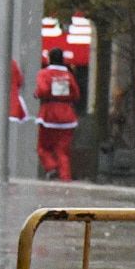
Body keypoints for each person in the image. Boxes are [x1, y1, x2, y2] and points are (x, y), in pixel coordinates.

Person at [34, 47, 80, 181]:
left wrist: (37, 94)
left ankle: (51, 167)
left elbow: (42, 90)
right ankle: (65, 178)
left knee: (43, 147)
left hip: (49, 114)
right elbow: (76, 94)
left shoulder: (44, 74)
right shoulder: (68, 75)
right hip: (67, 116)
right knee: (63, 151)